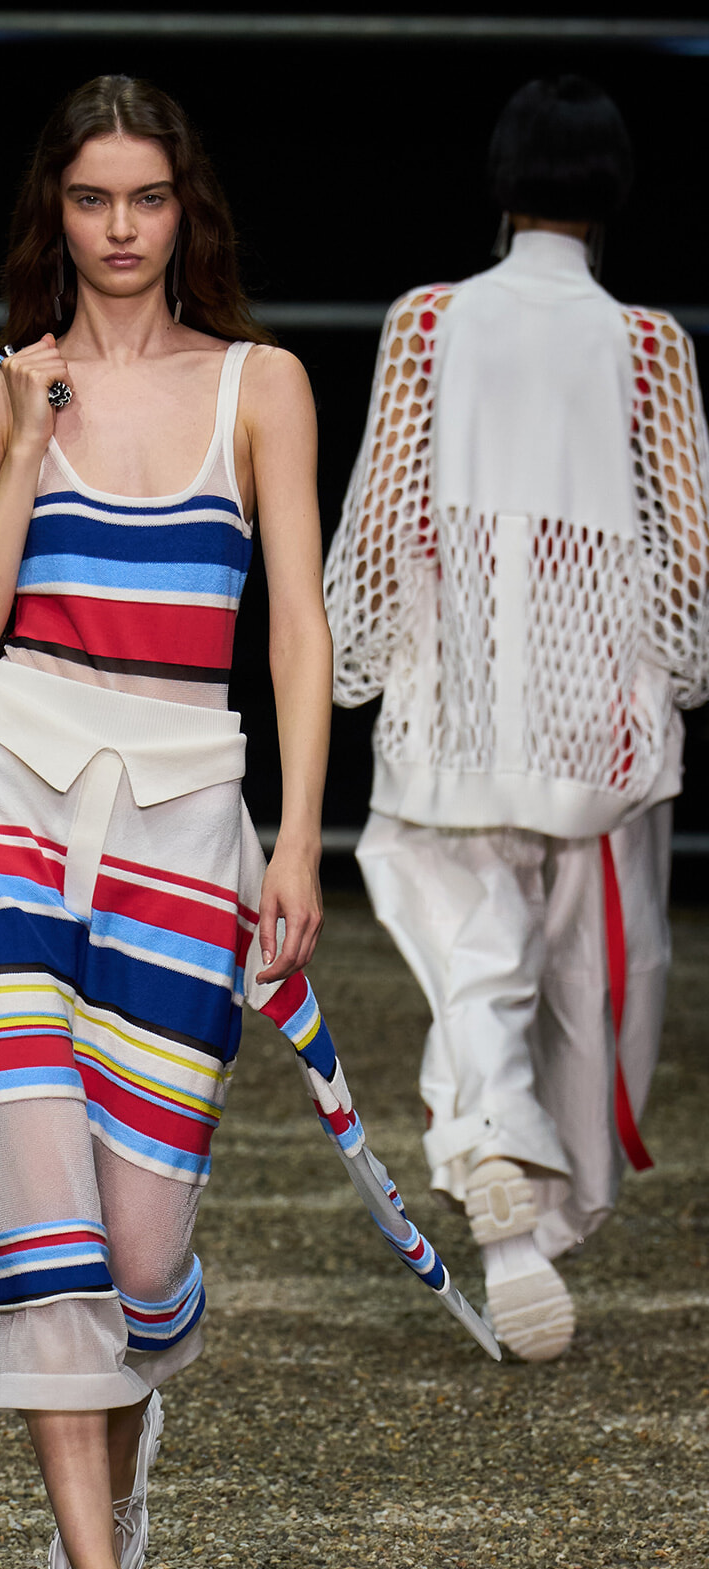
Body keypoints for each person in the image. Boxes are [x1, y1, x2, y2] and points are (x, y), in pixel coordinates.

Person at [0, 74, 334, 1569]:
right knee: (44, 1208)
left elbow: (297, 637)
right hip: (5, 807)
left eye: (146, 200)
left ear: (184, 208)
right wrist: (36, 431)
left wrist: (298, 840)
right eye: (90, 201)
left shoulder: (261, 384)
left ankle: (112, 1493)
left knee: (139, 1249)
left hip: (188, 818)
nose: (120, 233)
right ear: (50, 214)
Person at [324, 76, 708, 1362]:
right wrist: (673, 683)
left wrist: (362, 657)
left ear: (500, 185)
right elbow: (683, 547)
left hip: (453, 702)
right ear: (613, 198)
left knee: (472, 974)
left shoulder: (428, 320)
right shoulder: (648, 344)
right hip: (593, 717)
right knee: (601, 986)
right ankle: (532, 1223)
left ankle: (499, 1189)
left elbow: (381, 508)